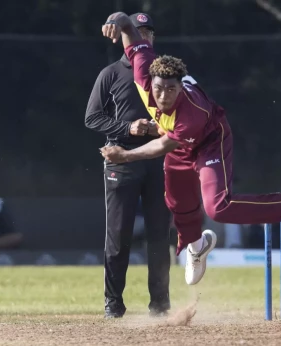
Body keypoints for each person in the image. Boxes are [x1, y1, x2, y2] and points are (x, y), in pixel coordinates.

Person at [99, 12, 281, 286]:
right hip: (177, 141)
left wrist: (125, 155)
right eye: (158, 89)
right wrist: (115, 19)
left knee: (218, 208)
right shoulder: (144, 70)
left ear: (181, 87)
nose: (163, 96)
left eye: (171, 90)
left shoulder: (191, 112)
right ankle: (196, 245)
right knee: (178, 204)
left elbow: (165, 144)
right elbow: (127, 26)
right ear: (149, 82)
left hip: (209, 140)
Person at [85, 13, 171, 319]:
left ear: (152, 39)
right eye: (136, 32)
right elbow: (92, 117)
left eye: (147, 32)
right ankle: (113, 302)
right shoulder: (110, 74)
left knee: (159, 234)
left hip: (159, 159)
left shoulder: (166, 74)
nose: (142, 37)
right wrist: (128, 128)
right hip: (121, 160)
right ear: (125, 38)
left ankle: (160, 304)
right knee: (118, 235)